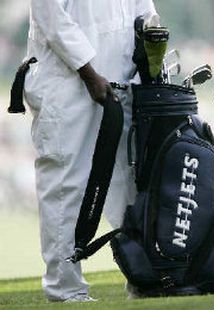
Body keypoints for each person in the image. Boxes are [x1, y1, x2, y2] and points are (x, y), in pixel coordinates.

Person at [24, 0, 158, 302]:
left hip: (122, 83)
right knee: (66, 186)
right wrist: (88, 73)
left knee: (130, 185)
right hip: (67, 85)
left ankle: (143, 279)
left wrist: (152, 51)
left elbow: (145, 15)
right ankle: (66, 289)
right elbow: (49, 16)